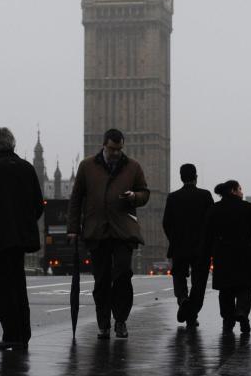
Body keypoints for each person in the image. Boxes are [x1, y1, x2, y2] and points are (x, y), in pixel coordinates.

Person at [67, 128, 150, 340]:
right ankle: (103, 323)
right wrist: (73, 229)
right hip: (97, 231)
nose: (116, 153)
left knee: (122, 275)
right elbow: (76, 199)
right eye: (113, 149)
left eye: (120, 149)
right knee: (101, 280)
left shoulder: (133, 167)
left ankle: (120, 320)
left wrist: (135, 196)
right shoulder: (87, 166)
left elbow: (145, 193)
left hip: (123, 231)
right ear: (104, 145)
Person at [0, 127, 44, 351]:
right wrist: (24, 224)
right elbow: (38, 205)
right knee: (18, 287)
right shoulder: (27, 169)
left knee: (2, 291)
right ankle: (23, 335)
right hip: (19, 242)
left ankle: (11, 335)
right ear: (12, 145)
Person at [202, 180, 251, 334]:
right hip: (245, 254)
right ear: (233, 190)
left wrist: (205, 258)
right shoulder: (247, 208)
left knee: (226, 291)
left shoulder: (215, 209)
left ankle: (228, 321)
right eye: (240, 189)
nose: (242, 192)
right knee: (245, 288)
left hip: (223, 255)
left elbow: (207, 237)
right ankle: (242, 312)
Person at [162, 163, 213, 328]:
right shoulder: (205, 196)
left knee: (179, 277)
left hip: (179, 246)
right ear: (196, 177)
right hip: (201, 248)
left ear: (181, 177)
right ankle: (192, 314)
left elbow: (166, 223)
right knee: (199, 283)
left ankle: (183, 299)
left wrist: (174, 239)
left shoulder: (173, 197)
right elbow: (212, 221)